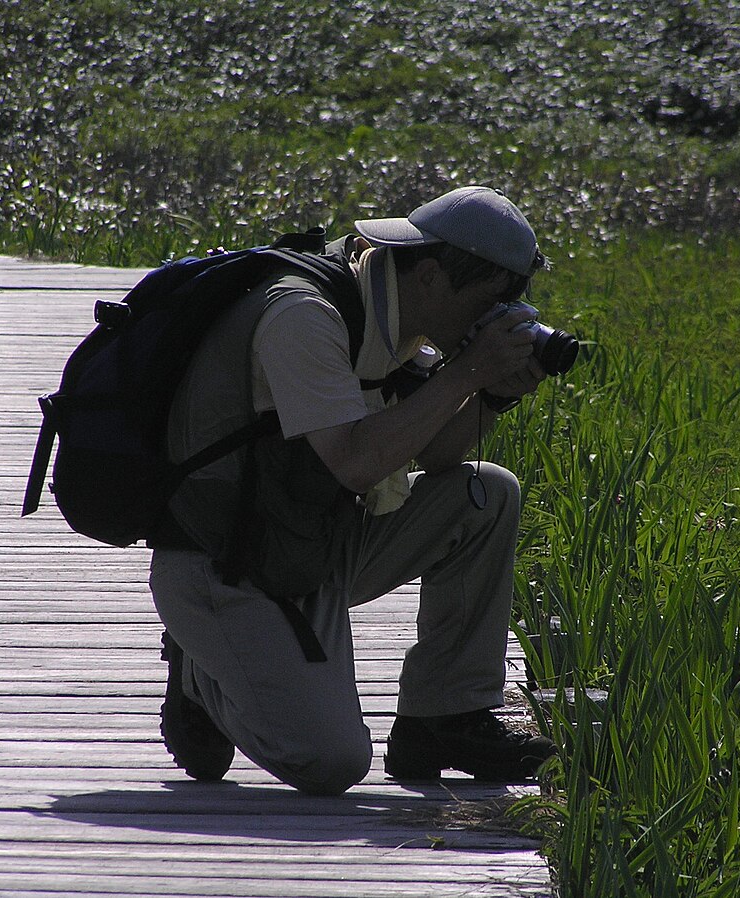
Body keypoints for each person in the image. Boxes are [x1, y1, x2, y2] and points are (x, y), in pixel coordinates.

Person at [148, 185, 556, 795]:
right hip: (224, 562)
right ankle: (201, 675)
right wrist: (470, 371)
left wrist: (493, 391)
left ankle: (442, 719)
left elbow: (439, 455)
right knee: (333, 762)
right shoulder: (304, 317)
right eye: (485, 307)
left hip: (309, 542)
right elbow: (355, 462)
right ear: (430, 276)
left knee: (483, 494)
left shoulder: (400, 315)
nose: (488, 324)